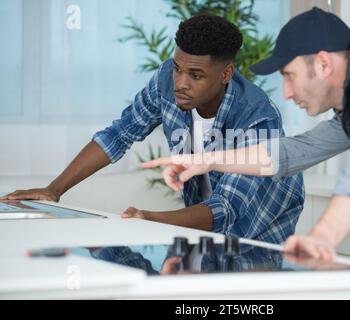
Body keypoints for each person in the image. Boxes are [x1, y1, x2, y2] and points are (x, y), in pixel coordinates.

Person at [142, 7, 350, 260]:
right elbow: (295, 151)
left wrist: (323, 236)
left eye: (289, 76)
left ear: (323, 63)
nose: (286, 93)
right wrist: (207, 161)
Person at [1, 15, 304, 244]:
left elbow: (227, 208)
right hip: (207, 228)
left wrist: (149, 220)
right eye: (177, 68)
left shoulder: (257, 117)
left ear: (225, 74)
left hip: (261, 230)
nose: (180, 83)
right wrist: (53, 190)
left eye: (195, 75)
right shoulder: (165, 82)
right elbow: (119, 134)